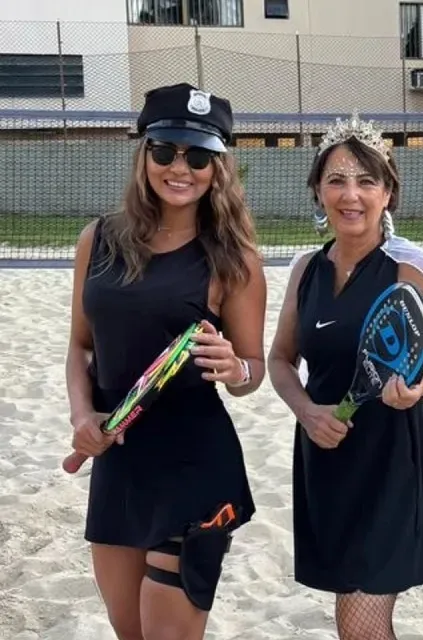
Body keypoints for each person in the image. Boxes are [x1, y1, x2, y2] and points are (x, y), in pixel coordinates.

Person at [65, 83, 266, 639]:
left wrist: (235, 368)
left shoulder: (234, 258)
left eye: (199, 155)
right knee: (130, 631)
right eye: (166, 150)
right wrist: (83, 416)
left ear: (218, 167)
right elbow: (81, 346)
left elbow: (253, 368)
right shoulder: (97, 239)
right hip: (120, 461)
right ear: (143, 153)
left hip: (195, 464)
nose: (181, 167)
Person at [267, 112, 423, 640]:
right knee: (351, 611)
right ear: (318, 191)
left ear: (388, 193)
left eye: (367, 181)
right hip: (326, 452)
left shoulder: (406, 269)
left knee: (358, 620)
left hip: (390, 458)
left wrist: (422, 387)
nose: (350, 194)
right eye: (336, 180)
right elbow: (280, 360)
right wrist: (306, 411)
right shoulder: (306, 270)